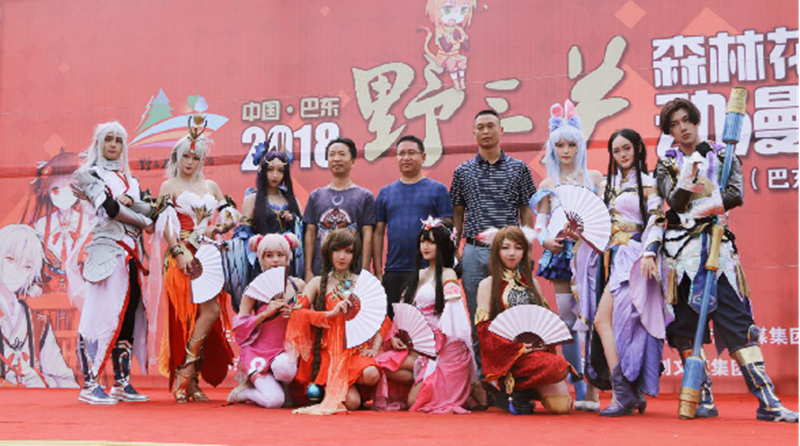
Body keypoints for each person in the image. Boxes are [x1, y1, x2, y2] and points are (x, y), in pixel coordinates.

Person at [655, 98, 797, 422]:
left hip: (719, 250)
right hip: (681, 257)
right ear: (670, 132)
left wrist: (701, 204)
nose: (682, 128)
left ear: (696, 120)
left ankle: (768, 400)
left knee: (738, 324)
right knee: (685, 328)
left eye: (686, 120)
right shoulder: (667, 164)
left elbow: (736, 195)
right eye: (674, 124)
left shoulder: (723, 155)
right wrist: (692, 175)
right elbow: (674, 202)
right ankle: (702, 397)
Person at [574, 129, 670, 416]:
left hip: (635, 258)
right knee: (608, 323)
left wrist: (650, 252)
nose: (622, 155)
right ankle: (628, 392)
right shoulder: (607, 185)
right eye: (616, 151)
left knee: (622, 324)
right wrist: (577, 231)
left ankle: (625, 393)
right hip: (608, 259)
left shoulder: (650, 183)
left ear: (638, 148)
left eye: (627, 148)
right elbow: (598, 226)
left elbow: (656, 220)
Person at [154, 115, 236, 403]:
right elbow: (165, 225)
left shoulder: (211, 186)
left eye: (195, 157)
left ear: (202, 160)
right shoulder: (169, 186)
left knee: (209, 313)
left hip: (209, 256)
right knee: (186, 317)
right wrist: (179, 252)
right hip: (183, 255)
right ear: (177, 157)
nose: (189, 162)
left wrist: (220, 228)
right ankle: (186, 378)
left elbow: (229, 217)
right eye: (185, 156)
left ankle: (188, 377)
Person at [71, 121, 153, 404]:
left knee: (128, 315)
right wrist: (141, 217)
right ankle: (90, 383)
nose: (114, 145)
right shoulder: (89, 174)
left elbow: (148, 209)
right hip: (106, 253)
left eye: (118, 140)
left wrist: (134, 205)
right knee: (98, 315)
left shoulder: (131, 181)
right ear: (99, 143)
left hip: (131, 256)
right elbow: (110, 208)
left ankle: (121, 382)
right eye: (109, 139)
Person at [450, 109, 535, 377]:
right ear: (473, 133)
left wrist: (527, 250)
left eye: (490, 126)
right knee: (480, 318)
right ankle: (485, 379)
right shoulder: (462, 171)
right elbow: (457, 214)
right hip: (474, 253)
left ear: (501, 129)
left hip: (509, 253)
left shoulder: (519, 169)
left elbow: (527, 210)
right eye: (480, 127)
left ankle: (515, 379)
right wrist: (456, 253)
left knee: (512, 314)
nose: (485, 131)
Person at [530, 100, 603, 410]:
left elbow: (604, 217)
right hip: (561, 257)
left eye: (571, 144)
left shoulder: (595, 179)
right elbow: (540, 224)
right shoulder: (548, 184)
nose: (566, 150)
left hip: (590, 256)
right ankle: (578, 385)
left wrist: (590, 236)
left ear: (580, 146)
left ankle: (595, 388)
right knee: (568, 320)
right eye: (559, 145)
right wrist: (545, 240)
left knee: (595, 319)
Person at [373, 217, 473, 413]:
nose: (425, 246)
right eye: (422, 241)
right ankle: (423, 378)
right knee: (380, 365)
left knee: (414, 402)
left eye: (431, 242)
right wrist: (396, 336)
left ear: (443, 245)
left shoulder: (448, 274)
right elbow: (404, 312)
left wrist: (437, 343)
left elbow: (455, 316)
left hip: (444, 348)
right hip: (418, 347)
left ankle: (432, 381)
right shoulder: (419, 274)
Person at [286, 228, 388, 415]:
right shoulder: (317, 282)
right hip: (328, 352)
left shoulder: (363, 282)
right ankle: (332, 384)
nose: (342, 256)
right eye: (337, 250)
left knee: (372, 374)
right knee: (352, 403)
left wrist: (375, 348)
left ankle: (339, 383)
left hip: (355, 350)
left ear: (354, 255)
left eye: (348, 251)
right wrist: (329, 315)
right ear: (328, 252)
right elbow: (298, 314)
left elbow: (382, 317)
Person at [475, 226, 572, 415]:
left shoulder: (533, 283)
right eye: (505, 248)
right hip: (509, 356)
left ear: (525, 251)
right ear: (496, 251)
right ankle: (512, 387)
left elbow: (546, 321)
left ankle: (524, 391)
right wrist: (515, 348)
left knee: (563, 407)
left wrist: (544, 343)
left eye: (518, 248)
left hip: (537, 354)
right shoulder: (487, 284)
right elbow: (484, 330)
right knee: (556, 368)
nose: (512, 253)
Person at [373, 135, 453, 317]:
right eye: (401, 154)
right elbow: (378, 233)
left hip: (428, 270)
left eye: (411, 153)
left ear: (423, 157)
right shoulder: (385, 193)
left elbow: (447, 230)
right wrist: (378, 271)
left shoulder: (438, 190)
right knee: (395, 324)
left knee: (429, 321)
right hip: (394, 269)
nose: (406, 158)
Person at [227, 233, 305, 408]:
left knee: (285, 367)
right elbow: (239, 329)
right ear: (261, 259)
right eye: (269, 255)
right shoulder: (253, 290)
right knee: (274, 401)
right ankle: (244, 392)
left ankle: (285, 387)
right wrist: (264, 314)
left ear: (287, 257)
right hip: (259, 352)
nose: (275, 260)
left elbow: (311, 317)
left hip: (286, 352)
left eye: (280, 255)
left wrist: (295, 314)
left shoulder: (298, 285)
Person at [227, 135, 303, 311]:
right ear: (262, 171)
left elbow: (302, 233)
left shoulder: (293, 201)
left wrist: (293, 221)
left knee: (288, 307)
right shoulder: (252, 200)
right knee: (263, 308)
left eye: (280, 171)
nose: (275, 175)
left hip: (286, 263)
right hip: (262, 263)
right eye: (270, 170)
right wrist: (257, 246)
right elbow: (243, 235)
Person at [0, 224, 78, 388]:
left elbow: (68, 382)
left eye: (27, 266)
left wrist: (42, 380)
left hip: (31, 400)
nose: (18, 271)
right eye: (10, 260)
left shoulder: (38, 323)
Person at [303, 138, 375, 282]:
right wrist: (308, 270)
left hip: (352, 271)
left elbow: (368, 235)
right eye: (332, 155)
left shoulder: (364, 196)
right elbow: (310, 233)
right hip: (320, 271)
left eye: (342, 154)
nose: (336, 159)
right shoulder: (316, 196)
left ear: (352, 161)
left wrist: (365, 271)